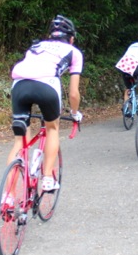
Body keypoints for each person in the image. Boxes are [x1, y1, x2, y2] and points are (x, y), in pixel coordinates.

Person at [8, 14, 84, 192]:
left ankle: (8, 198)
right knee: (52, 128)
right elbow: (73, 93)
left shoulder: (36, 46)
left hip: (19, 86)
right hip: (47, 86)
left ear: (51, 36)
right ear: (71, 38)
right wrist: (74, 114)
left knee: (20, 141)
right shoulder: (74, 52)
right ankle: (48, 177)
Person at [115, 31, 138, 114]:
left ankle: (126, 107)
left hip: (123, 66)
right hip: (135, 66)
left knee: (129, 88)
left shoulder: (132, 45)